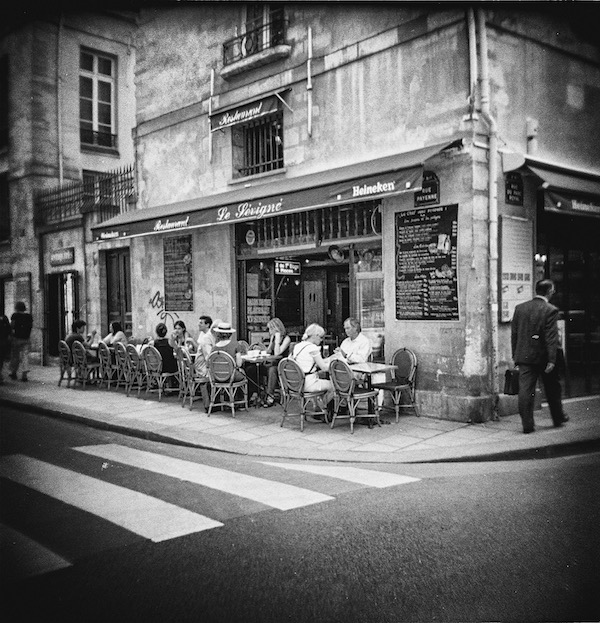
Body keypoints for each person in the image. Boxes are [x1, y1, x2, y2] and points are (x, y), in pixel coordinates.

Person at [511, 279, 569, 434]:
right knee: (552, 389)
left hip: (524, 357)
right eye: (553, 290)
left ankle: (527, 426)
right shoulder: (550, 310)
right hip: (544, 358)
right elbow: (551, 337)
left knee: (525, 391)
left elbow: (514, 334)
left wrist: (515, 356)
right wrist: (552, 360)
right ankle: (558, 418)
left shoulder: (520, 308)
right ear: (549, 291)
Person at [289, 323, 334, 419]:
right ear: (316, 336)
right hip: (309, 384)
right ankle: (321, 408)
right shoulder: (313, 348)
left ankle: (318, 407)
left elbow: (308, 362)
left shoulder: (298, 346)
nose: (321, 340)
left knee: (320, 377)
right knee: (335, 386)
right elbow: (324, 368)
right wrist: (335, 363)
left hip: (297, 383)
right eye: (321, 337)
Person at [9, 301, 33, 381]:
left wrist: (11, 335)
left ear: (16, 308)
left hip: (16, 338)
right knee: (25, 356)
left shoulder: (15, 315)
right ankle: (24, 375)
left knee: (15, 356)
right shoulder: (29, 316)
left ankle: (14, 372)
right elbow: (30, 327)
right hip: (26, 338)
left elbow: (12, 326)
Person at [0, 313, 11, 383]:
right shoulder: (4, 317)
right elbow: (9, 329)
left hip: (2, 341)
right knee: (1, 359)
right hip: (3, 341)